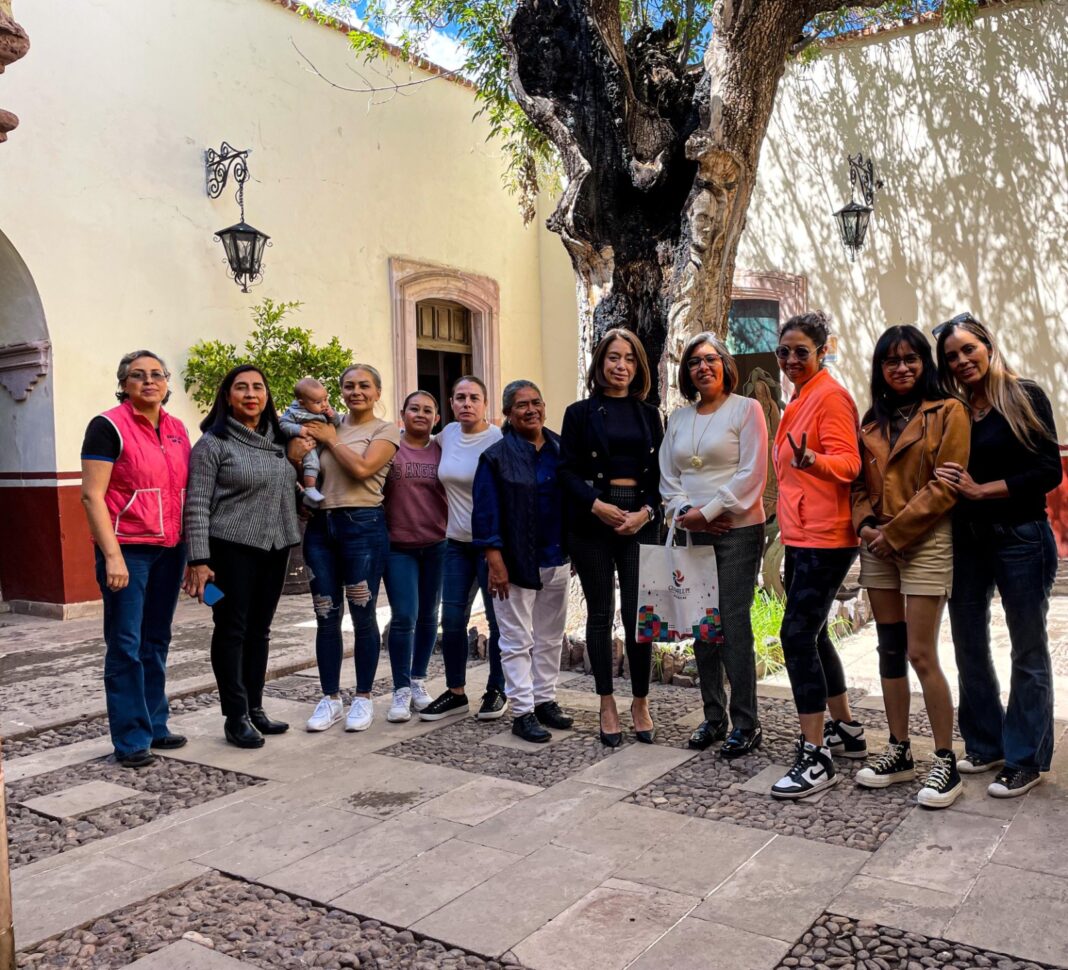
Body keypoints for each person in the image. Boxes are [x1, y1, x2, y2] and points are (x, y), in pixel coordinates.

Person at [935, 313, 1062, 798]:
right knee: (968, 643)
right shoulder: (955, 410)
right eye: (952, 356)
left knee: (1027, 648)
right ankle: (986, 743)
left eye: (969, 349)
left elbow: (1048, 471)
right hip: (967, 541)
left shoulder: (1024, 395)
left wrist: (983, 490)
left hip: (1020, 537)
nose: (962, 361)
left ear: (988, 346)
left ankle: (1025, 758)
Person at [851, 326, 969, 808]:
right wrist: (866, 528)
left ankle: (945, 759)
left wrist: (895, 533)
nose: (901, 368)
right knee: (889, 649)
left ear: (925, 363)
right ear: (880, 368)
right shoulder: (872, 420)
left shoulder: (949, 411)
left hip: (924, 540)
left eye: (910, 359)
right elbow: (858, 486)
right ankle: (898, 750)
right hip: (878, 544)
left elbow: (947, 485)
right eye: (891, 361)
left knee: (921, 653)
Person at [769, 311, 866, 800]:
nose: (790, 359)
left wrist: (814, 460)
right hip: (803, 534)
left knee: (795, 635)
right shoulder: (802, 395)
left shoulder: (830, 396)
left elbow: (850, 463)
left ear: (823, 351)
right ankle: (844, 729)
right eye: (783, 351)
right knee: (815, 631)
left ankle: (816, 756)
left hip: (826, 536)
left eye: (801, 352)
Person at [80, 350, 191, 768]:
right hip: (127, 548)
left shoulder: (177, 429)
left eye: (157, 375)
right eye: (138, 375)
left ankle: (155, 724)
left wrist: (193, 554)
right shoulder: (107, 426)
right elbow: (92, 496)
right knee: (125, 644)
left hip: (171, 548)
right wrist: (112, 556)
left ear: (166, 383)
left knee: (156, 639)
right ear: (124, 384)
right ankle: (130, 739)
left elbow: (183, 491)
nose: (149, 381)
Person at [660, 333, 768, 758]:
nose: (702, 367)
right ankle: (713, 716)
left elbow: (752, 472)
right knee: (703, 626)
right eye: (693, 362)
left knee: (733, 622)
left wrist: (711, 511)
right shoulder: (678, 418)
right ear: (687, 372)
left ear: (725, 364)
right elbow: (668, 476)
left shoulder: (747, 409)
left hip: (737, 530)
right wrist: (687, 511)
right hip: (693, 529)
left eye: (710, 359)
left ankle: (746, 722)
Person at [183, 365, 301, 748]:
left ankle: (255, 707)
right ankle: (235, 716)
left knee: (259, 630)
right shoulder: (212, 444)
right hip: (228, 550)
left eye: (258, 387)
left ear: (267, 395)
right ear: (227, 396)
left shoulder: (280, 440)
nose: (251, 394)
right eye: (241, 388)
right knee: (231, 628)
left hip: (276, 547)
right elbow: (196, 505)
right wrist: (198, 561)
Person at [560, 328, 663, 747]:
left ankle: (640, 700)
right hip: (593, 523)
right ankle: (606, 702)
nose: (621, 366)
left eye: (630, 358)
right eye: (613, 357)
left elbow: (661, 476)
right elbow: (566, 471)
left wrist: (646, 512)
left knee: (640, 615)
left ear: (639, 366)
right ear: (600, 362)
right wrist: (595, 504)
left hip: (639, 520)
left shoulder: (650, 414)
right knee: (600, 614)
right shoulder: (579, 413)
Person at [301, 364, 401, 733]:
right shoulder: (327, 423)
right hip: (320, 526)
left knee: (362, 614)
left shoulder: (384, 430)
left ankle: (363, 696)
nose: (356, 391)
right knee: (325, 613)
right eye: (348, 386)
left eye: (364, 386)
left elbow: (362, 469)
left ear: (377, 393)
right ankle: (330, 698)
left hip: (362, 525)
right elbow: (304, 463)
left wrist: (331, 440)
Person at [473, 381, 573, 743]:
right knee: (516, 639)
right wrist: (494, 560)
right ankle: (522, 711)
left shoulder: (561, 448)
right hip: (514, 562)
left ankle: (545, 700)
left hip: (556, 557)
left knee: (550, 637)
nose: (530, 410)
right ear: (507, 414)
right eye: (521, 405)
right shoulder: (495, 457)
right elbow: (485, 513)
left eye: (536, 402)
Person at [419, 376, 508, 722]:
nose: (466, 403)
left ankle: (497, 689)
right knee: (452, 619)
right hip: (455, 544)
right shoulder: (447, 435)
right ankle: (456, 692)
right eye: (460, 398)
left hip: (491, 547)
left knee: (498, 621)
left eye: (473, 398)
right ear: (451, 404)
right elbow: (412, 445)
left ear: (485, 403)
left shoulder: (498, 439)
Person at [382, 390, 449, 722]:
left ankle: (418, 680)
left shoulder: (443, 449)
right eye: (414, 409)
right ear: (403, 413)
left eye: (427, 410)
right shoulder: (389, 447)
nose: (420, 414)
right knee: (404, 615)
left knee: (429, 615)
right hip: (398, 547)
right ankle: (400, 689)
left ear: (436, 418)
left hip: (437, 544)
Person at [278, 377, 343, 507]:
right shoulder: (294, 412)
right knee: (312, 464)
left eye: (325, 399)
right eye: (318, 402)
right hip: (308, 444)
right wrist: (299, 429)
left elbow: (336, 423)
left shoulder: (325, 410)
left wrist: (332, 415)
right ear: (302, 403)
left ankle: (311, 498)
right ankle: (310, 488)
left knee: (322, 469)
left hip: (323, 445)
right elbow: (283, 424)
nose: (324, 404)